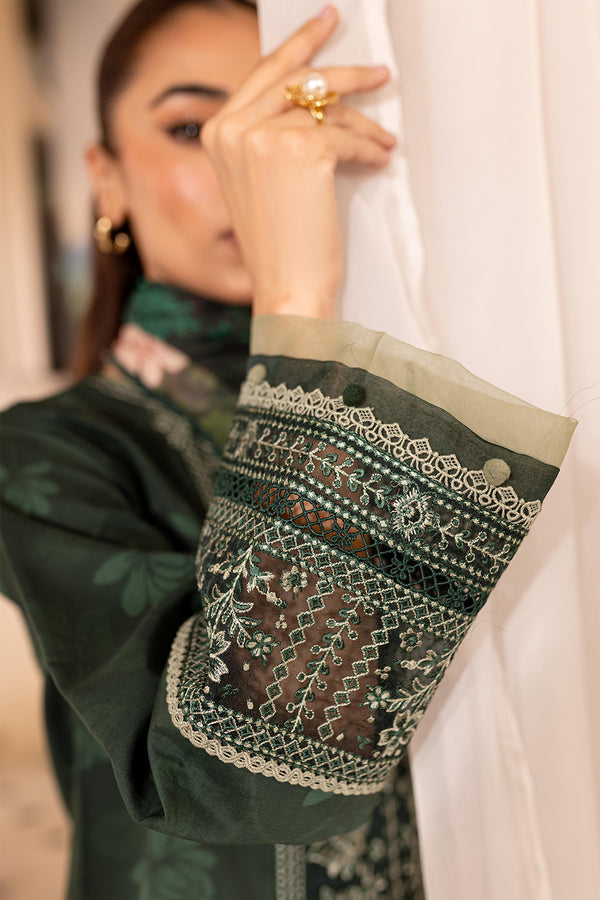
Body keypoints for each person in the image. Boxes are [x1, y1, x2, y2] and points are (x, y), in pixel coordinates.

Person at [0, 1, 576, 898]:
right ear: (106, 180)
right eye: (193, 127)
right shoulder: (46, 452)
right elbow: (238, 782)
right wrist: (298, 301)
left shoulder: (443, 405)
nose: (254, 160)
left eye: (295, 117)